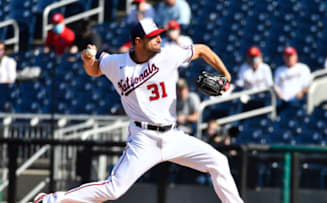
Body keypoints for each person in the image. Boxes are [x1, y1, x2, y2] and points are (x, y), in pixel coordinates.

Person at [34, 18, 243, 203]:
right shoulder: (116, 62)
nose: (159, 39)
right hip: (143, 138)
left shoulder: (168, 55)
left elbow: (202, 49)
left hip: (172, 135)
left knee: (219, 162)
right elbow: (95, 70)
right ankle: (53, 199)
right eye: (153, 37)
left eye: (159, 35)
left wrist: (226, 74)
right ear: (138, 42)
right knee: (114, 189)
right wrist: (88, 61)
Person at [235, 46, 273, 111]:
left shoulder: (265, 68)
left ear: (260, 57)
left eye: (255, 57)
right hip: (248, 97)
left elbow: (270, 84)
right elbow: (239, 83)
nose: (253, 59)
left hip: (262, 97)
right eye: (251, 57)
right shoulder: (244, 68)